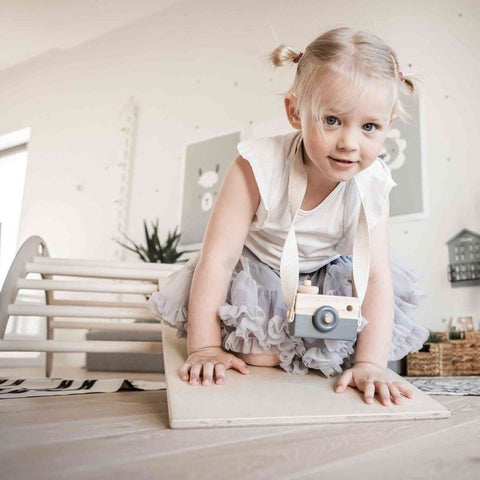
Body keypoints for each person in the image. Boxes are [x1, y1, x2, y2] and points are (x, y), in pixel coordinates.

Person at [149, 27, 430, 406]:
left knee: (343, 360)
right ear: (295, 111)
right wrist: (205, 347)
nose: (349, 142)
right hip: (260, 270)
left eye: (369, 127)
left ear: (388, 125)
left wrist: (371, 363)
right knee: (255, 356)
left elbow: (376, 275)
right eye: (332, 120)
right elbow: (219, 259)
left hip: (328, 273)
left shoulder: (374, 182)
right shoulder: (256, 167)